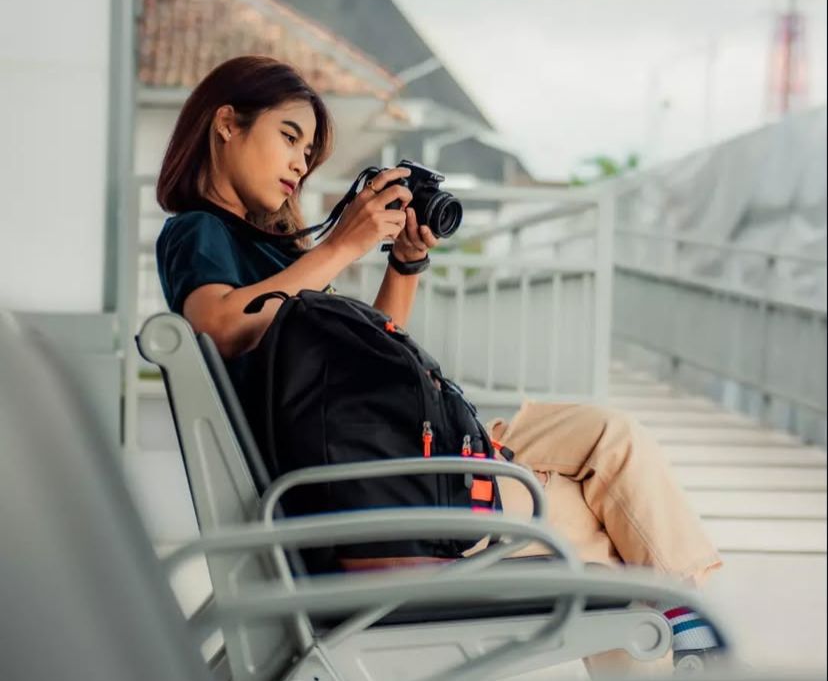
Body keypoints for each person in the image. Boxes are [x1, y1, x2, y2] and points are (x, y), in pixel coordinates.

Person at [155, 56, 722, 675]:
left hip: (391, 460)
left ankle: (684, 611)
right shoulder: (198, 232)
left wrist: (404, 263)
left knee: (613, 437)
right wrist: (341, 246)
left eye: (309, 152)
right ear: (227, 124)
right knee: (607, 543)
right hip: (369, 491)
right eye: (289, 137)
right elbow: (219, 326)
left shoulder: (275, 254)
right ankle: (688, 620)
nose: (299, 163)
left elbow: (372, 366)